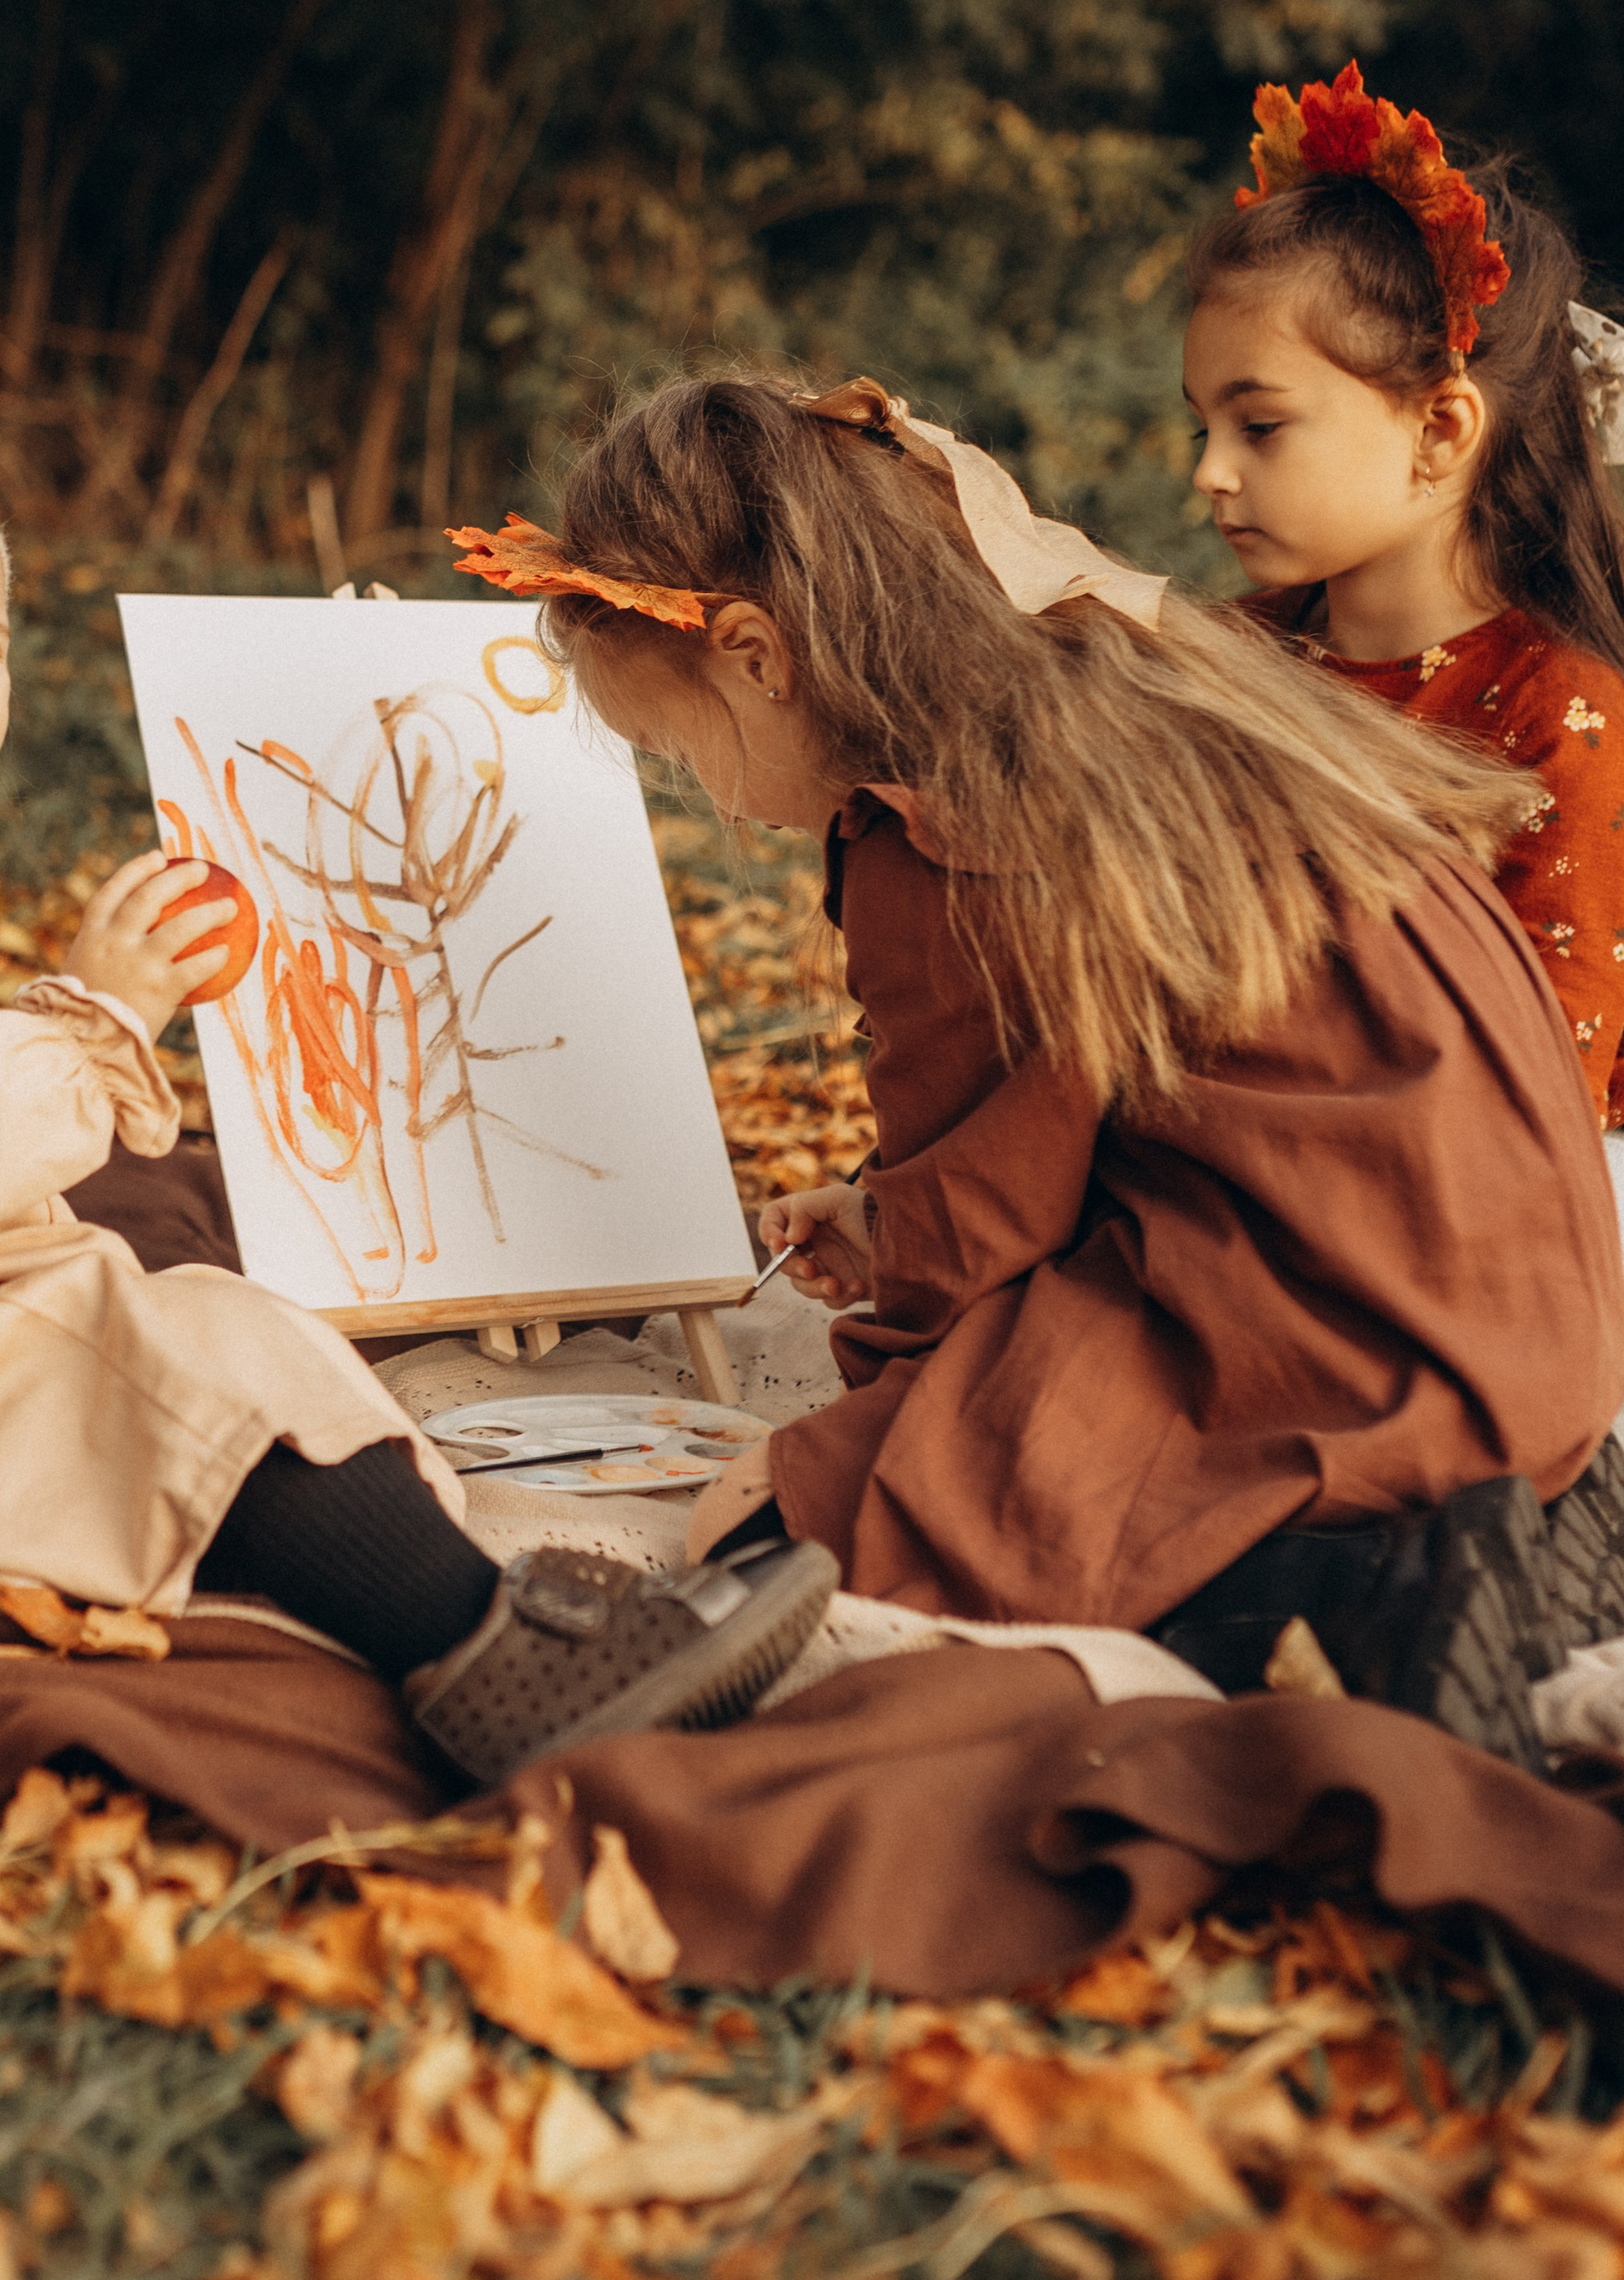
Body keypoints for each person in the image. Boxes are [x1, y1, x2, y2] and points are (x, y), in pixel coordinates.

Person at [0, 401, 835, 1788]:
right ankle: (495, 1658)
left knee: (209, 1327)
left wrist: (67, 1032)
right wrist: (91, 1020)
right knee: (175, 1369)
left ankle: (503, 1617)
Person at [450, 372, 1624, 1767]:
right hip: (1524, 1319)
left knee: (776, 1513)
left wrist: (874, 1446)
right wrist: (888, 1215)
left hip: (1347, 1342)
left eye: (676, 748)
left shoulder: (938, 827)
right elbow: (1100, 1108)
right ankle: (1513, 1512)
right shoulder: (1116, 674)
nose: (702, 791)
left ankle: (1362, 1593)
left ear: (759, 657)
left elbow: (979, 1255)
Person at [1183, 60, 1624, 1147]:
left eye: (1260, 427)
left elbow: (1543, 1106)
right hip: (1244, 1165)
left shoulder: (1564, 721)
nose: (1209, 474)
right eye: (1203, 428)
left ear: (1440, 430)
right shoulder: (1228, 659)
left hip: (1497, 1213)